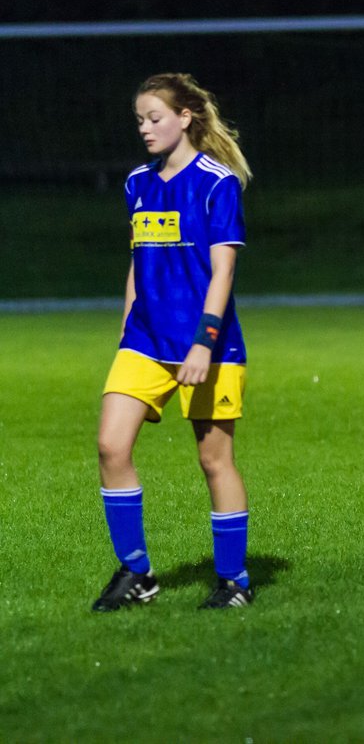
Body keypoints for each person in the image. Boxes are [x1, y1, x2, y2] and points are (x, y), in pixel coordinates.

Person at [93, 73, 256, 611]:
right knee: (111, 446)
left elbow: (223, 271)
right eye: (139, 119)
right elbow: (137, 263)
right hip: (144, 340)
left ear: (185, 117)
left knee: (214, 461)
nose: (145, 128)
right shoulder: (137, 182)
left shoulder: (216, 182)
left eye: (154, 117)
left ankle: (234, 581)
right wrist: (124, 329)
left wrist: (204, 342)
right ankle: (137, 574)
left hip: (206, 345)